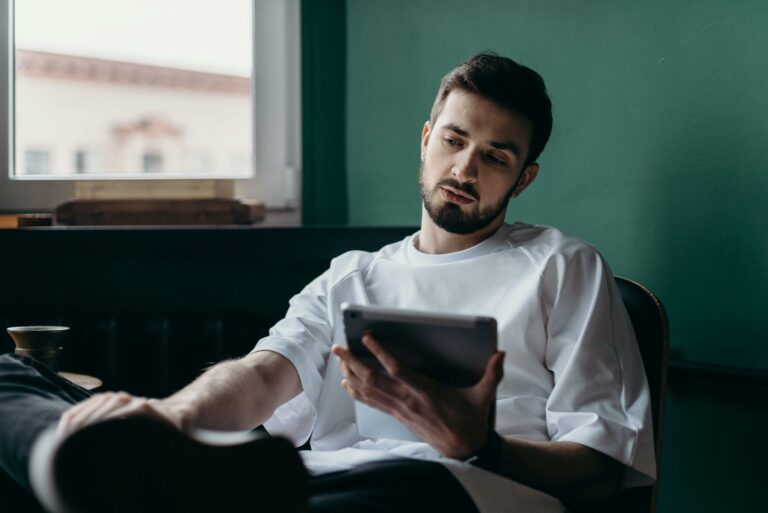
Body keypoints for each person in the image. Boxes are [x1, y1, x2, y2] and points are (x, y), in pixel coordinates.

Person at [0, 53, 655, 513]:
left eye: (495, 156)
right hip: (319, 480)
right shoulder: (355, 275)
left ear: (524, 177)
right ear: (426, 139)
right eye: (454, 140)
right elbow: (262, 374)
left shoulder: (563, 267)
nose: (464, 166)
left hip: (453, 492)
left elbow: (601, 473)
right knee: (10, 375)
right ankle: (75, 457)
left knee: (387, 489)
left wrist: (479, 444)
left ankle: (133, 481)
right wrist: (171, 417)